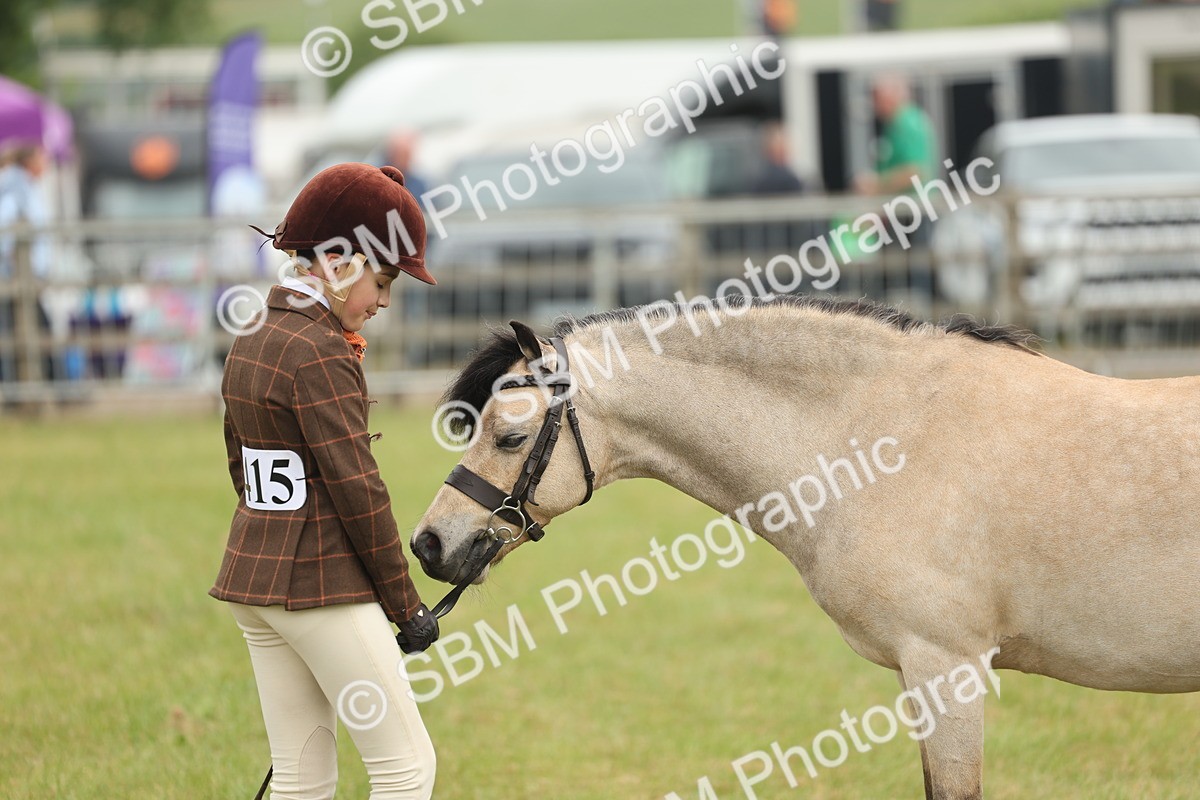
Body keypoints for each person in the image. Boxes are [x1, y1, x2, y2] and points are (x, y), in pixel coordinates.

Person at [211, 163, 439, 800]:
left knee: (301, 776)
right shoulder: (319, 350)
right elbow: (358, 489)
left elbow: (240, 460)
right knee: (405, 768)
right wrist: (407, 607)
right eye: (383, 281)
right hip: (320, 589)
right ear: (339, 263)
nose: (384, 301)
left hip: (254, 582)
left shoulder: (254, 333)